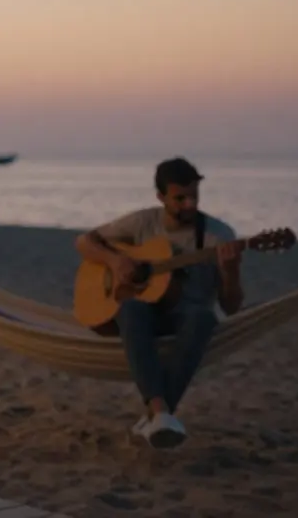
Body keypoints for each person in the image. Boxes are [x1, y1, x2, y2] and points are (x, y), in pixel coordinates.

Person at [73, 157, 243, 449]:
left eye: (194, 197)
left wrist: (230, 270)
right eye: (179, 198)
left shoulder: (219, 235)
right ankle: (161, 413)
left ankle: (157, 414)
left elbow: (231, 307)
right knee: (132, 307)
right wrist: (116, 260)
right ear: (160, 197)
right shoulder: (143, 222)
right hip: (144, 316)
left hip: (186, 321)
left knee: (203, 318)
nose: (189, 204)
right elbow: (84, 242)